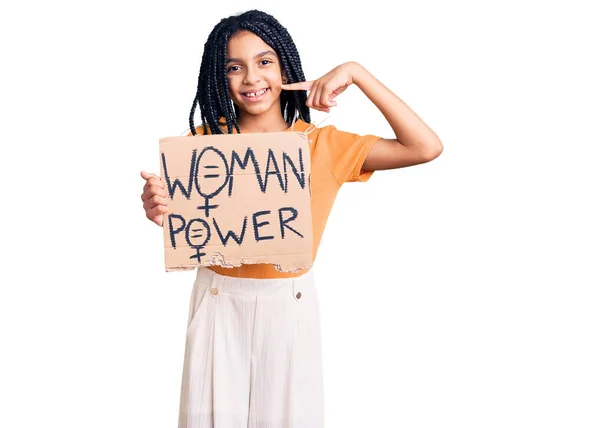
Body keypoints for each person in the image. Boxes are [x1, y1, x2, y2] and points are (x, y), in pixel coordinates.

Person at [140, 9, 442, 428]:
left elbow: (425, 146)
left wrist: (356, 72)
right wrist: (157, 205)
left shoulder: (321, 145)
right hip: (215, 303)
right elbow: (184, 220)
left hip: (289, 306)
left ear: (286, 65)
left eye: (264, 62)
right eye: (234, 67)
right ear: (218, 76)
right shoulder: (201, 147)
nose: (251, 78)